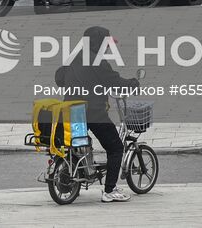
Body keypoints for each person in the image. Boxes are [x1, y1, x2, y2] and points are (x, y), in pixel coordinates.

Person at [54, 25, 139, 203]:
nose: (108, 47)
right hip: (93, 112)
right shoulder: (98, 62)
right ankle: (110, 190)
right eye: (106, 44)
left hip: (70, 110)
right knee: (115, 147)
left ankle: (79, 172)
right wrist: (132, 83)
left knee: (77, 144)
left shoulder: (74, 57)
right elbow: (114, 82)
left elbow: (59, 78)